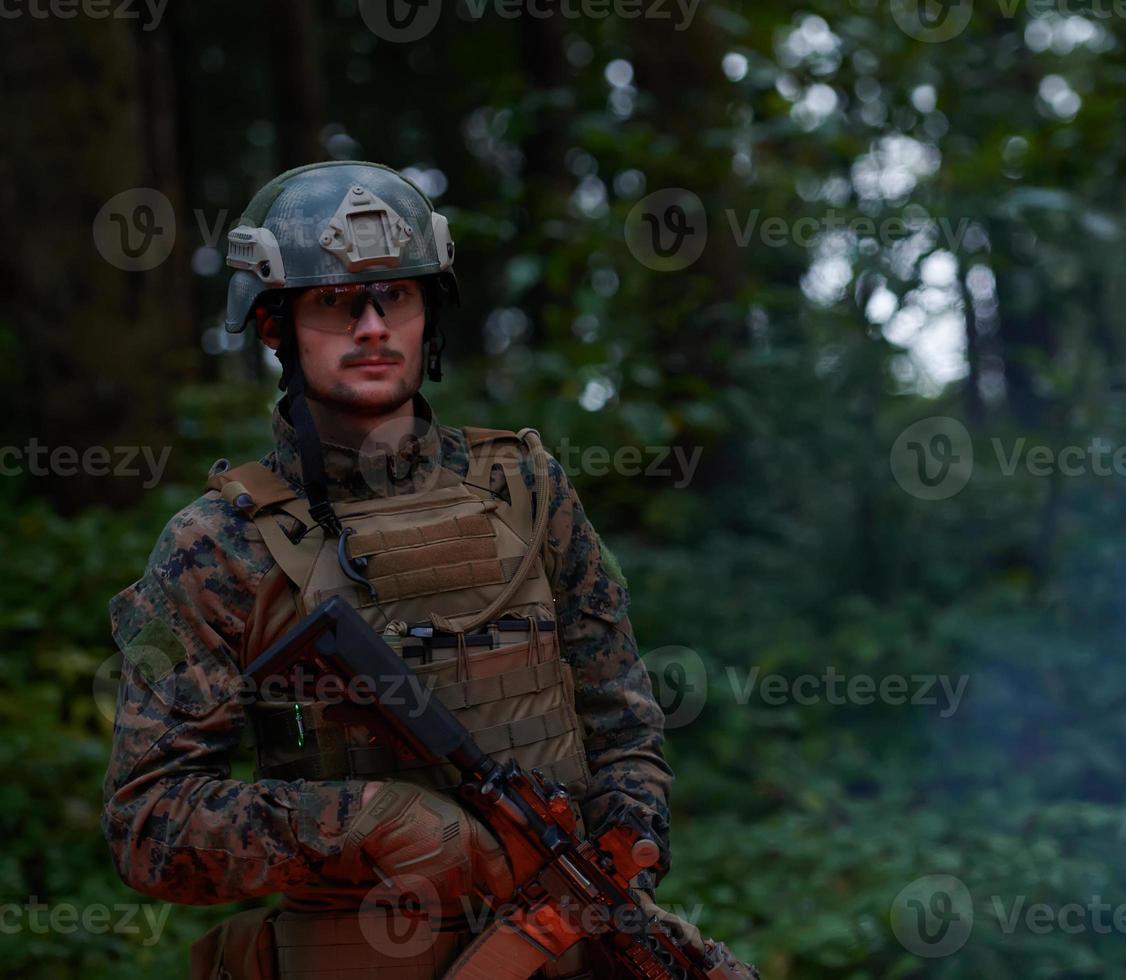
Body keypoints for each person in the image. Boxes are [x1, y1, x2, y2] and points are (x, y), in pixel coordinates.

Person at [101, 161, 690, 979]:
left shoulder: (528, 488)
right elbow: (149, 827)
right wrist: (369, 820)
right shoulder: (218, 544)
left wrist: (628, 844)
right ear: (275, 327)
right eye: (338, 303)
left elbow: (624, 725)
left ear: (428, 317)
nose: (373, 327)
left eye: (398, 298)